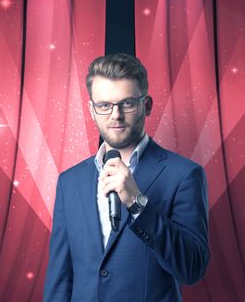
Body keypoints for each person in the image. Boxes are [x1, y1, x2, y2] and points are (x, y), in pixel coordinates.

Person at [44, 53, 209, 302]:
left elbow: (193, 268)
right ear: (91, 110)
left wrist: (137, 202)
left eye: (127, 103)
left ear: (148, 105)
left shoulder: (185, 175)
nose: (115, 115)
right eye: (104, 105)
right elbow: (60, 278)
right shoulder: (70, 182)